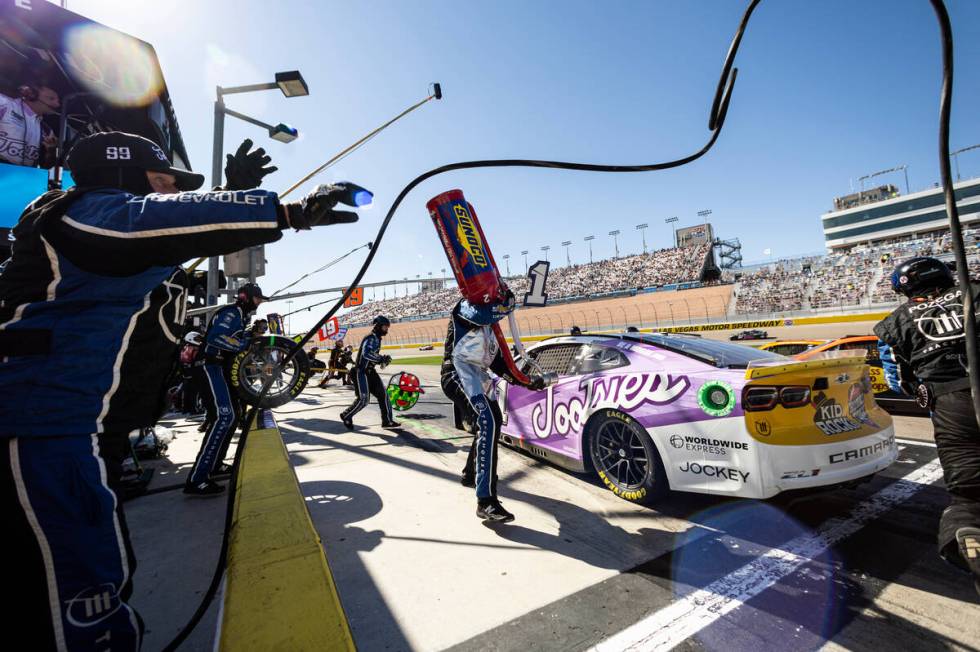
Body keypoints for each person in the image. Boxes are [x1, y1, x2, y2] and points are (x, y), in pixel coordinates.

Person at [0, 130, 370, 649]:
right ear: (121, 176)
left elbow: (170, 236)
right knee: (83, 596)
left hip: (75, 425)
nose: (171, 191)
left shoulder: (103, 236)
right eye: (162, 181)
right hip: (45, 424)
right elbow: (154, 224)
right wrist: (289, 213)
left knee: (89, 573)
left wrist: (225, 192)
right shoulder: (82, 214)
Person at [874, 256, 980, 595]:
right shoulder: (973, 291)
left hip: (951, 406)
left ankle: (968, 528)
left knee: (967, 493)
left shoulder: (895, 323)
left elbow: (898, 381)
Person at [446, 289, 545, 523]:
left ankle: (471, 474)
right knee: (487, 421)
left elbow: (502, 367)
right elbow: (481, 315)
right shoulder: (465, 306)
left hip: (477, 378)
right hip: (456, 373)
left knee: (492, 423)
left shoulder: (492, 334)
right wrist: (507, 306)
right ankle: (486, 501)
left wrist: (530, 382)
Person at [185, 282, 266, 496]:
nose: (259, 303)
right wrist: (243, 344)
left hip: (218, 368)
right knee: (224, 416)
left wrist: (250, 336)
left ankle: (216, 464)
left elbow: (236, 339)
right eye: (257, 298)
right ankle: (197, 479)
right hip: (209, 366)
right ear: (247, 297)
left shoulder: (241, 316)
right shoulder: (231, 313)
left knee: (234, 414)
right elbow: (217, 338)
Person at [340, 316, 399, 429]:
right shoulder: (371, 338)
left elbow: (371, 357)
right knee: (364, 400)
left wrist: (383, 361)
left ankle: (387, 421)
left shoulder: (377, 338)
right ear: (378, 326)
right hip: (360, 372)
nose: (387, 329)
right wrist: (381, 359)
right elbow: (366, 354)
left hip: (370, 372)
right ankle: (346, 415)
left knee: (384, 395)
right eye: (385, 327)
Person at [0, 80, 59, 167]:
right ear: (32, 95)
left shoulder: (47, 131)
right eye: (51, 99)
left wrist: (51, 151)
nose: (57, 104)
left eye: (58, 100)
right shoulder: (5, 104)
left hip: (23, 176)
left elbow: (47, 168)